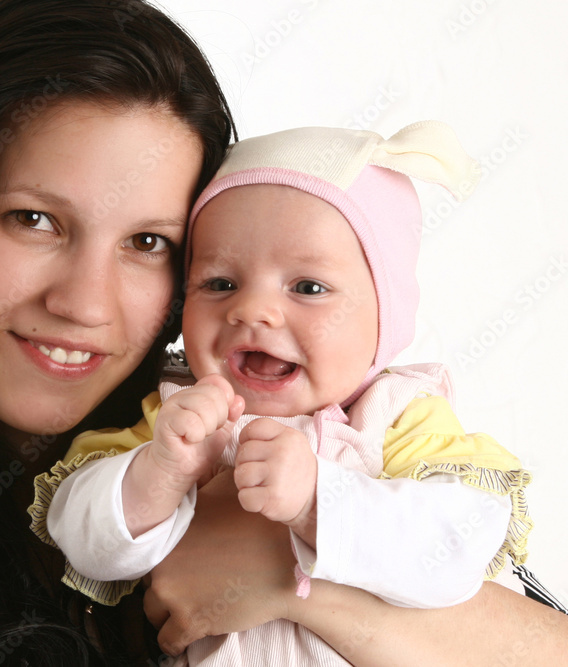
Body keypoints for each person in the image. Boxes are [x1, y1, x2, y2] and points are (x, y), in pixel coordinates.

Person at [0, 1, 568, 665]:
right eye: (36, 219)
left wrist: (289, 575)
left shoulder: (343, 430)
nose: (85, 301)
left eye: (148, 243)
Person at [29, 123, 540, 664]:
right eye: (220, 283)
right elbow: (81, 540)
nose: (251, 310)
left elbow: (460, 546)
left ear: (383, 317)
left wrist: (319, 502)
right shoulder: (175, 412)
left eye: (309, 288)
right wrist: (157, 475)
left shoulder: (398, 418)